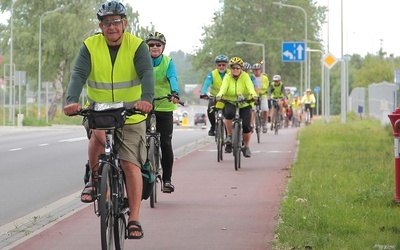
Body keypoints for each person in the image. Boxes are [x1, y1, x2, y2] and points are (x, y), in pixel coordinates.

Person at [63, 1, 154, 239]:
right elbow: (78, 74)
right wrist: (72, 100)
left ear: (124, 23)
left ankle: (134, 219)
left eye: (116, 21)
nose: (111, 27)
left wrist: (146, 99)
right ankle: (94, 180)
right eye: (106, 22)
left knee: (130, 164)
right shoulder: (90, 46)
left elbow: (146, 73)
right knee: (97, 137)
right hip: (100, 109)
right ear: (100, 25)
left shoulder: (137, 46)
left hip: (131, 112)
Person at [145, 31, 180, 193]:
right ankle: (143, 176)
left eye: (158, 45)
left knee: (166, 143)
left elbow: (173, 77)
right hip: (143, 106)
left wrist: (175, 92)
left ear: (163, 47)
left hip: (164, 105)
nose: (154, 47)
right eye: (151, 44)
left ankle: (167, 180)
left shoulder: (168, 62)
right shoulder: (141, 61)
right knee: (140, 142)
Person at [216, 57, 258, 157]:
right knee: (229, 114)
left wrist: (254, 95)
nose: (235, 70)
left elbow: (250, 87)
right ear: (230, 68)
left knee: (246, 126)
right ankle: (229, 136)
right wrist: (219, 95)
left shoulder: (245, 76)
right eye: (233, 68)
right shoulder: (227, 76)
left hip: (245, 102)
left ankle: (246, 147)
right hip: (230, 101)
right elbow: (223, 87)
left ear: (241, 69)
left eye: (238, 68)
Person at [200, 54, 230, 136]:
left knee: (229, 114)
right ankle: (213, 127)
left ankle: (229, 134)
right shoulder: (212, 74)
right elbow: (206, 84)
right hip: (215, 97)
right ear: (216, 65)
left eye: (223, 65)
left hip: (227, 98)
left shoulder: (230, 74)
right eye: (219, 65)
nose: (221, 67)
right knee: (210, 109)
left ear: (226, 65)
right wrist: (203, 93)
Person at [252, 63, 269, 133]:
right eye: (255, 70)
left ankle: (264, 123)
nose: (256, 71)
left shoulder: (264, 78)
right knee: (252, 110)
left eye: (258, 70)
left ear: (260, 70)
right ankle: (251, 124)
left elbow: (266, 86)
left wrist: (261, 92)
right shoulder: (251, 77)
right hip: (253, 96)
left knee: (265, 109)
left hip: (262, 95)